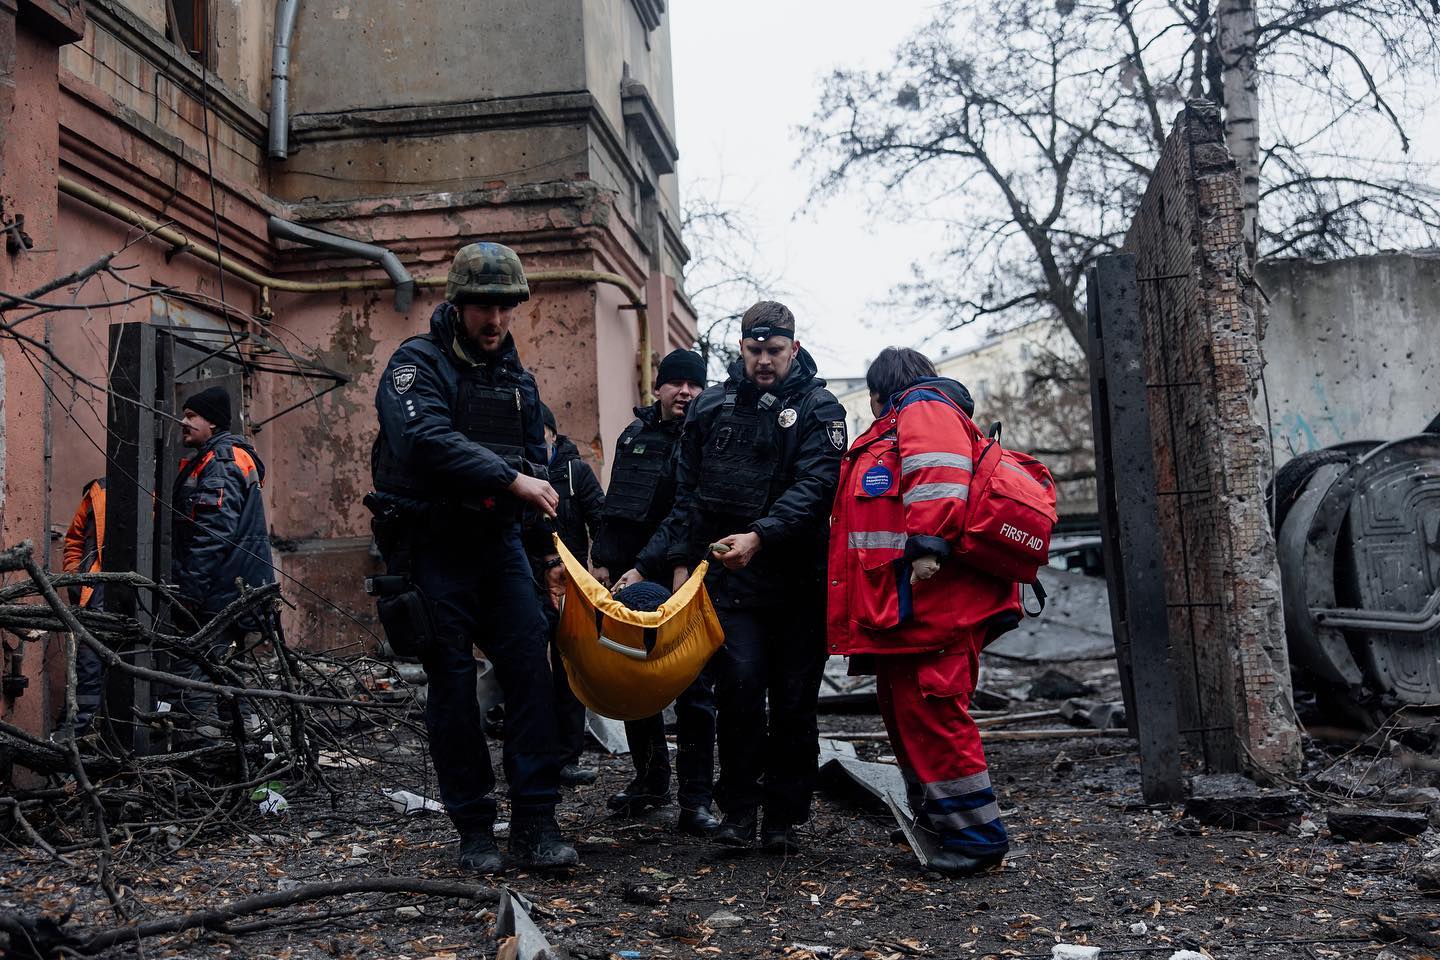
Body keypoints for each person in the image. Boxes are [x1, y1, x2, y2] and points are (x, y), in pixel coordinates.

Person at [368, 240, 577, 873]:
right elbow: (423, 439)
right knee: (454, 689)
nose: (494, 320)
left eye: (505, 307)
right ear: (457, 305)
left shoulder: (517, 380)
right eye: (483, 306)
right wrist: (508, 481)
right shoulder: (416, 366)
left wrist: (548, 560)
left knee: (532, 675)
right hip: (435, 550)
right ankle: (475, 829)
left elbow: (538, 472)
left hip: (501, 547)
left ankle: (537, 822)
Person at [615, 302, 847, 853]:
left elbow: (817, 489)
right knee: (739, 696)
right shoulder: (712, 407)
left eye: (774, 351)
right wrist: (648, 564)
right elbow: (687, 497)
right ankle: (739, 813)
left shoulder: (820, 409)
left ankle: (785, 817)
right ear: (740, 347)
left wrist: (760, 535)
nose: (764, 361)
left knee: (793, 703)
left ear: (793, 347)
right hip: (731, 585)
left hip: (796, 584)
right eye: (754, 350)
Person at [826, 346, 1021, 876]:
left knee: (935, 717)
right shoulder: (916, 415)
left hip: (935, 610)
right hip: (912, 613)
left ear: (877, 391)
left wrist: (929, 548)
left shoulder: (922, 409)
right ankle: (943, 819)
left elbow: (936, 477)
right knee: (913, 716)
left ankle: (978, 837)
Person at [590, 349, 718, 835]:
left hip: (678, 575)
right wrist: (602, 557)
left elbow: (688, 512)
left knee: (693, 687)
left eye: (694, 385)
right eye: (676, 384)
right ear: (658, 388)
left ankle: (696, 798)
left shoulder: (706, 436)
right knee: (632, 680)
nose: (685, 392)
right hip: (627, 575)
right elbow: (616, 502)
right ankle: (650, 779)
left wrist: (645, 568)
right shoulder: (634, 435)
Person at [170, 387, 276, 734]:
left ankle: (206, 756)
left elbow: (214, 532)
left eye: (190, 416)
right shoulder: (226, 456)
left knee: (198, 671)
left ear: (212, 422)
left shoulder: (221, 461)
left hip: (219, 588)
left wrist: (190, 590)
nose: (182, 422)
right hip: (235, 585)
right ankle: (239, 754)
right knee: (230, 669)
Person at [540, 403, 605, 786]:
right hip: (528, 581)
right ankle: (537, 754)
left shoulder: (574, 473)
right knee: (531, 668)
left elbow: (601, 517)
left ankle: (567, 756)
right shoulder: (514, 471)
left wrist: (603, 564)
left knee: (569, 669)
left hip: (572, 586)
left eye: (540, 433)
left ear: (552, 433)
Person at [61, 477, 106, 732]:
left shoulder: (162, 492)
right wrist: (74, 580)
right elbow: (74, 540)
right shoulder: (97, 492)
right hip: (93, 598)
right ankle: (77, 744)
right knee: (87, 674)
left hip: (137, 603)